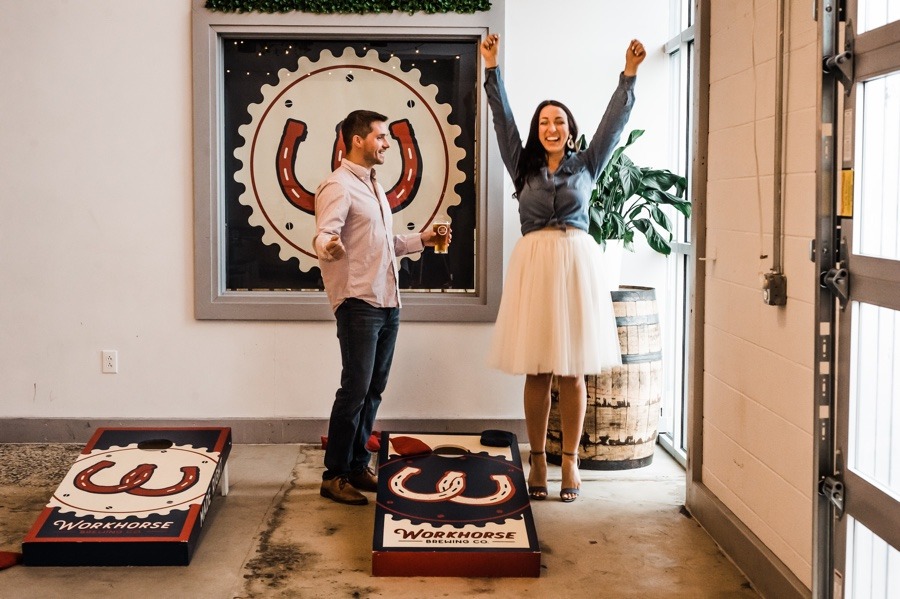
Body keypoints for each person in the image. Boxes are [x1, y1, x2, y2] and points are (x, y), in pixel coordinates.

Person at [480, 34, 646, 502]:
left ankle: (569, 463)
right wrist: (492, 68)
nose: (551, 127)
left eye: (559, 121)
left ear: (569, 129)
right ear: (537, 130)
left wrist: (628, 74)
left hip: (575, 266)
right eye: (544, 122)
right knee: (538, 370)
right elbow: (502, 120)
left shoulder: (588, 163)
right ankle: (536, 460)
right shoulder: (522, 164)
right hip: (536, 267)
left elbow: (615, 123)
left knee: (573, 372)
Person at [314, 109, 445, 505]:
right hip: (359, 303)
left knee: (373, 390)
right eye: (381, 136)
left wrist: (424, 238)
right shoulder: (337, 186)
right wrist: (329, 247)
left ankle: (356, 465)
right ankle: (334, 474)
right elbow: (324, 234)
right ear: (358, 140)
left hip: (388, 301)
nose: (388, 143)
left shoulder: (373, 185)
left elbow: (385, 243)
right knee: (353, 390)